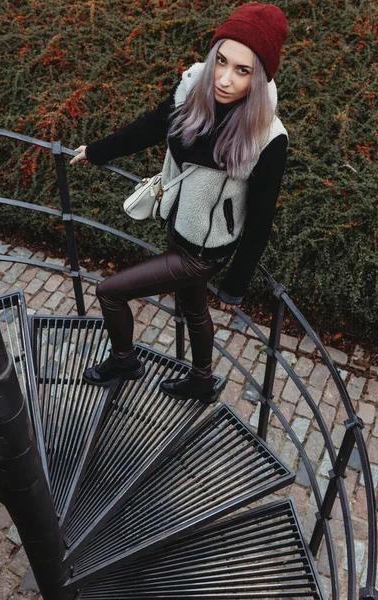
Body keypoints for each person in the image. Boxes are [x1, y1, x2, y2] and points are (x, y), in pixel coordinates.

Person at [70, 2, 288, 404]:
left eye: (243, 71)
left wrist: (235, 285)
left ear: (259, 77)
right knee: (193, 308)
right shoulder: (194, 86)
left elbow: (260, 220)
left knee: (110, 292)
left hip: (204, 252)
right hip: (180, 228)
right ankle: (202, 381)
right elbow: (151, 127)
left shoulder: (267, 136)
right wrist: (97, 151)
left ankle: (124, 361)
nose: (224, 79)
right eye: (221, 60)